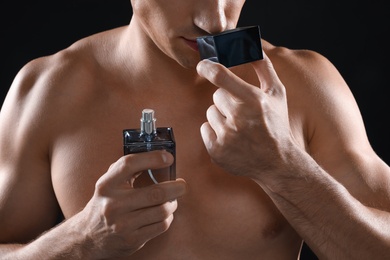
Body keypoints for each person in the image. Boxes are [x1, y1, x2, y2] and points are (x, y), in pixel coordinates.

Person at [0, 0, 389, 259]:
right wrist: (81, 239)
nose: (216, 22)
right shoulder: (48, 92)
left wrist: (284, 168)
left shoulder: (303, 83)